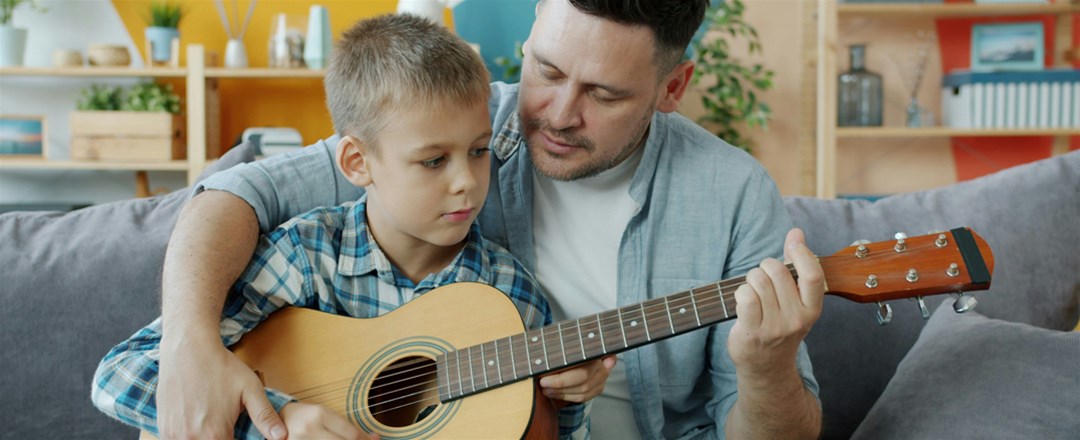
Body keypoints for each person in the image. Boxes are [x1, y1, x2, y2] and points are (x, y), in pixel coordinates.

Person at [158, 0, 825, 438]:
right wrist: (191, 347)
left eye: (603, 93)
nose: (559, 113)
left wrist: (766, 368)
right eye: (548, 69)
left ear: (672, 88)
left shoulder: (734, 194)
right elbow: (235, 194)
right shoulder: (454, 125)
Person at [91, 13, 601, 440]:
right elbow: (120, 373)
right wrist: (273, 422)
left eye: (478, 150)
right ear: (357, 163)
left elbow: (549, 430)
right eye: (432, 161)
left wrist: (572, 400)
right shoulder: (306, 256)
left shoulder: (510, 296)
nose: (466, 181)